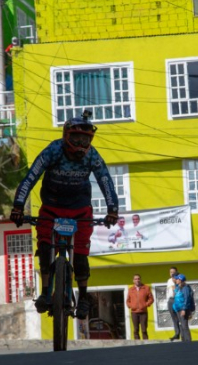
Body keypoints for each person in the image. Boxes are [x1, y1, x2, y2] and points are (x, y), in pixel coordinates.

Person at [10, 110, 119, 319]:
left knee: (80, 254)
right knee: (44, 245)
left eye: (85, 140)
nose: (80, 144)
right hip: (51, 206)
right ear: (65, 136)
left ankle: (84, 297)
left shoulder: (92, 155)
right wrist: (17, 207)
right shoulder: (53, 150)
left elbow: (105, 180)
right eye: (76, 138)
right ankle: (44, 292)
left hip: (81, 209)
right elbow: (31, 176)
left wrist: (112, 210)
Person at [127, 274, 154, 340]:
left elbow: (151, 299)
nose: (137, 280)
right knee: (136, 330)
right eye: (135, 279)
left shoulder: (146, 288)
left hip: (143, 312)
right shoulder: (131, 289)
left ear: (140, 279)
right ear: (133, 280)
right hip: (134, 312)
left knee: (144, 329)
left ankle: (146, 344)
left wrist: (146, 304)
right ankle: (137, 344)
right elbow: (128, 300)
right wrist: (131, 306)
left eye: (138, 279)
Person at [172, 274, 195, 342]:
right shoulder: (179, 287)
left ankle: (188, 341)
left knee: (184, 326)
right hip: (179, 309)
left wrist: (184, 309)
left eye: (177, 279)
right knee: (181, 325)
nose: (175, 280)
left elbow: (186, 298)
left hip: (183, 309)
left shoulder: (185, 288)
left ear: (180, 280)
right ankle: (184, 340)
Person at [166, 266, 180, 341]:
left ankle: (182, 333)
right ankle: (176, 333)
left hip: (177, 300)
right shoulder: (169, 281)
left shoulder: (178, 280)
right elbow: (167, 291)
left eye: (173, 272)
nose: (172, 274)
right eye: (171, 272)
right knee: (174, 318)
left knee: (179, 318)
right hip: (170, 300)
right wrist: (167, 300)